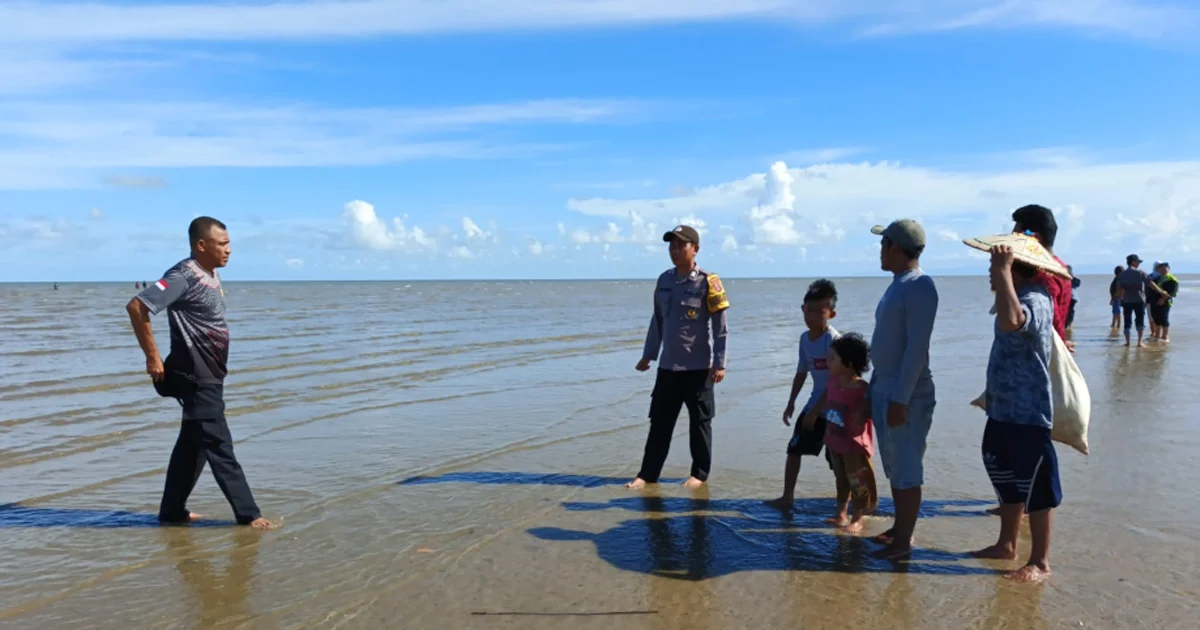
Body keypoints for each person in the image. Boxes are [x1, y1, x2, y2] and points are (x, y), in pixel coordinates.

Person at [125, 217, 275, 530]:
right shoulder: (183, 275)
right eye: (222, 244)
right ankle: (249, 516)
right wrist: (153, 358)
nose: (229, 250)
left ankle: (172, 513)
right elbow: (137, 307)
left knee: (193, 447)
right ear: (201, 245)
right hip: (195, 375)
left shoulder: (210, 274)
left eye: (229, 243)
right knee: (219, 445)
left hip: (210, 374)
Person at [969, 241, 1061, 584]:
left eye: (994, 269)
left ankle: (1039, 561)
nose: (990, 277)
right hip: (1003, 409)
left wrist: (1003, 271)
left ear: (1015, 269)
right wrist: (1004, 276)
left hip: (1029, 412)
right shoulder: (1016, 293)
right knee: (1003, 475)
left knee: (1037, 488)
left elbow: (1012, 322)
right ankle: (1006, 544)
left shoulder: (1036, 297)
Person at [628, 224, 730, 490]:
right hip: (668, 367)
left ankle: (699, 474)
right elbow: (658, 320)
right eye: (671, 246)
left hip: (699, 368)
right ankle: (648, 474)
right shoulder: (664, 281)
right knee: (659, 424)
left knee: (700, 424)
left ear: (694, 249)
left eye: (680, 245)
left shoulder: (709, 281)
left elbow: (720, 328)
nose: (674, 250)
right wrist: (648, 355)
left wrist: (720, 363)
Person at [867, 219, 938, 560]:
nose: (879, 251)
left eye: (883, 245)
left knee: (907, 467)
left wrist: (901, 397)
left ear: (895, 248)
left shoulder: (920, 285)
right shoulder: (897, 284)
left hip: (906, 390)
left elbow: (917, 348)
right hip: (886, 384)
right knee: (894, 465)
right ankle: (899, 528)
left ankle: (904, 541)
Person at [767, 279, 841, 510]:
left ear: (831, 314)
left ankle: (846, 505)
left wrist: (818, 411)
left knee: (838, 460)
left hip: (836, 408)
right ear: (802, 309)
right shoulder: (804, 339)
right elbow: (801, 373)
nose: (811, 317)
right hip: (814, 405)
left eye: (819, 312)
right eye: (808, 311)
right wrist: (791, 402)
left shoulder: (833, 340)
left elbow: (837, 381)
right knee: (794, 448)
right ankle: (787, 496)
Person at [804, 332, 875, 534]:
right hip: (834, 440)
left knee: (857, 481)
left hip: (853, 445)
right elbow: (827, 399)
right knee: (840, 479)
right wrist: (815, 414)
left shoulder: (862, 388)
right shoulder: (833, 381)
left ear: (849, 364)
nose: (828, 361)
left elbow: (872, 410)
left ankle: (858, 518)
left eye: (832, 358)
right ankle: (841, 513)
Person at [1011, 205, 1073, 348]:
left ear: (1034, 237)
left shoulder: (1041, 274)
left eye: (1016, 237)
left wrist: (1060, 344)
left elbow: (1053, 317)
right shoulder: (1060, 267)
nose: (1013, 243)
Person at [1117, 254, 1170, 347]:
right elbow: (1151, 284)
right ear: (1133, 262)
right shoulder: (1140, 273)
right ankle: (1139, 342)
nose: (1139, 264)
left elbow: (1120, 288)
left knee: (1127, 322)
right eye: (1138, 262)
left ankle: (1128, 342)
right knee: (1140, 321)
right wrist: (1161, 292)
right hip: (1139, 300)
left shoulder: (1122, 274)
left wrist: (1121, 299)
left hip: (1127, 301)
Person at [1151, 262, 1179, 343]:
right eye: (1161, 269)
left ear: (1168, 269)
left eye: (1165, 269)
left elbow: (1173, 292)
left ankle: (1165, 336)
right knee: (1156, 318)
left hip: (1166, 301)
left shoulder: (1172, 279)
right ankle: (1157, 335)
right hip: (1155, 301)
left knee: (1164, 318)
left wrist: (1164, 299)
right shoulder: (1157, 278)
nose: (1163, 270)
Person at [1065, 266, 1080, 331]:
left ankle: (1069, 324)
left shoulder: (1073, 278)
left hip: (1071, 296)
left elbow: (1078, 283)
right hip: (1069, 296)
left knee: (1070, 311)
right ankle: (1068, 325)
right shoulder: (1067, 277)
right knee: (1068, 311)